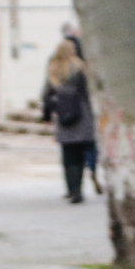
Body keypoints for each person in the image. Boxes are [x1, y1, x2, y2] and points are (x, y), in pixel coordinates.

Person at [43, 35, 98, 203]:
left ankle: (72, 190)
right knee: (81, 155)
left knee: (68, 156)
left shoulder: (53, 69)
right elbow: (89, 92)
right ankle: (82, 187)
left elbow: (47, 95)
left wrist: (46, 115)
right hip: (83, 115)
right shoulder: (81, 68)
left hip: (64, 117)